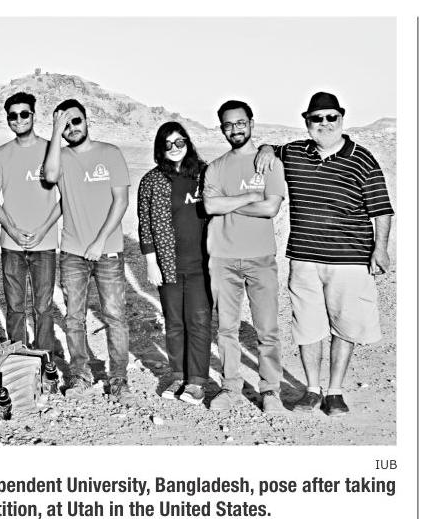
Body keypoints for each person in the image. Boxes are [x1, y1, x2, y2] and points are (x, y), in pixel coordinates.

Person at [254, 92, 394, 417]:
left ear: (342, 118)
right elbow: (270, 149)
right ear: (307, 121)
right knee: (308, 326)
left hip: (350, 260)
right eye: (317, 118)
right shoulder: (294, 152)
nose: (325, 123)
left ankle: (335, 391)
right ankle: (312, 390)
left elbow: (382, 210)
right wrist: (265, 148)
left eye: (332, 117)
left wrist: (380, 249)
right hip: (304, 258)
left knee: (345, 326)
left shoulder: (363, 159)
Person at [43, 99, 131, 399]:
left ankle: (118, 378)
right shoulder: (61, 156)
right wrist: (56, 131)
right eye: (65, 125)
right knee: (73, 318)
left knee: (115, 316)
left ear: (87, 120)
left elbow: (121, 201)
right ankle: (80, 375)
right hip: (72, 253)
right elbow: (50, 177)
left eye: (75, 121)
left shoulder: (110, 153)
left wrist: (99, 241)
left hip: (107, 251)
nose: (72, 128)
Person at [203, 100, 286, 414]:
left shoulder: (269, 163)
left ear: (251, 123)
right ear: (222, 128)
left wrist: (230, 202)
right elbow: (210, 206)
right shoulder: (215, 167)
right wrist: (251, 195)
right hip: (223, 258)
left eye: (240, 123)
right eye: (228, 124)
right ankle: (230, 387)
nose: (235, 129)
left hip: (260, 258)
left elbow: (271, 208)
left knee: (267, 330)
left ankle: (270, 390)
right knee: (226, 329)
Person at [137, 122, 210, 405]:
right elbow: (145, 224)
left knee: (199, 321)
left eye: (180, 142)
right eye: (168, 144)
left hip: (202, 263)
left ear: (187, 143)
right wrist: (150, 262)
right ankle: (178, 375)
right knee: (175, 322)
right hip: (167, 263)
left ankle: (197, 382)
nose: (175, 148)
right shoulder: (152, 180)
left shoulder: (204, 175)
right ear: (160, 148)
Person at [0, 92, 61, 358]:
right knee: (15, 307)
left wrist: (43, 230)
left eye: (24, 114)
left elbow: (67, 197)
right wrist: (12, 230)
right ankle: (17, 358)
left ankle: (45, 359)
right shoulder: (0, 155)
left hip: (45, 243)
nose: (18, 120)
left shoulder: (51, 150)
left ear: (33, 115)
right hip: (12, 244)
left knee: (43, 307)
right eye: (13, 116)